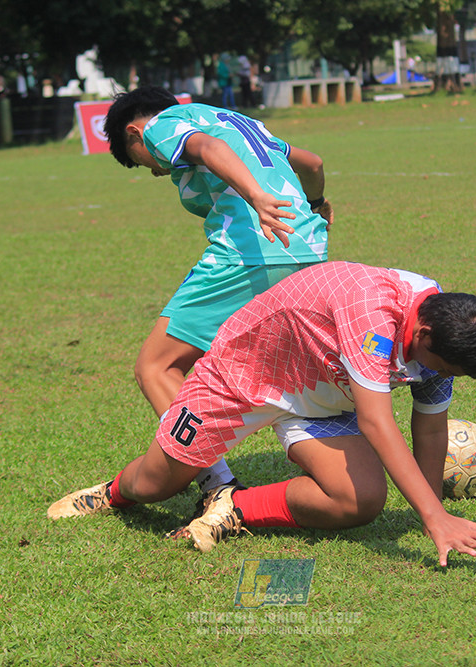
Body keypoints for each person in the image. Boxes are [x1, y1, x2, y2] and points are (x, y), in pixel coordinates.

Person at [48, 262, 476, 567]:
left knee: (361, 500)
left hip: (327, 394)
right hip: (245, 373)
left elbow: (430, 425)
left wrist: (429, 506)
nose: (442, 376)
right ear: (425, 333)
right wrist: (435, 517)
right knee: (155, 485)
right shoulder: (373, 311)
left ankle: (235, 507)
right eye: (445, 368)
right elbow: (378, 422)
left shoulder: (444, 332)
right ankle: (112, 493)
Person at [100, 85, 334, 494]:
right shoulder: (238, 121)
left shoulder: (162, 124)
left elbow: (206, 149)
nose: (155, 171)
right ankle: (336, 470)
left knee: (156, 367)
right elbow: (311, 163)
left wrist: (258, 198)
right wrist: (316, 204)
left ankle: (218, 485)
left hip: (252, 254)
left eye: (140, 162)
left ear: (135, 134)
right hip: (308, 251)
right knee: (286, 374)